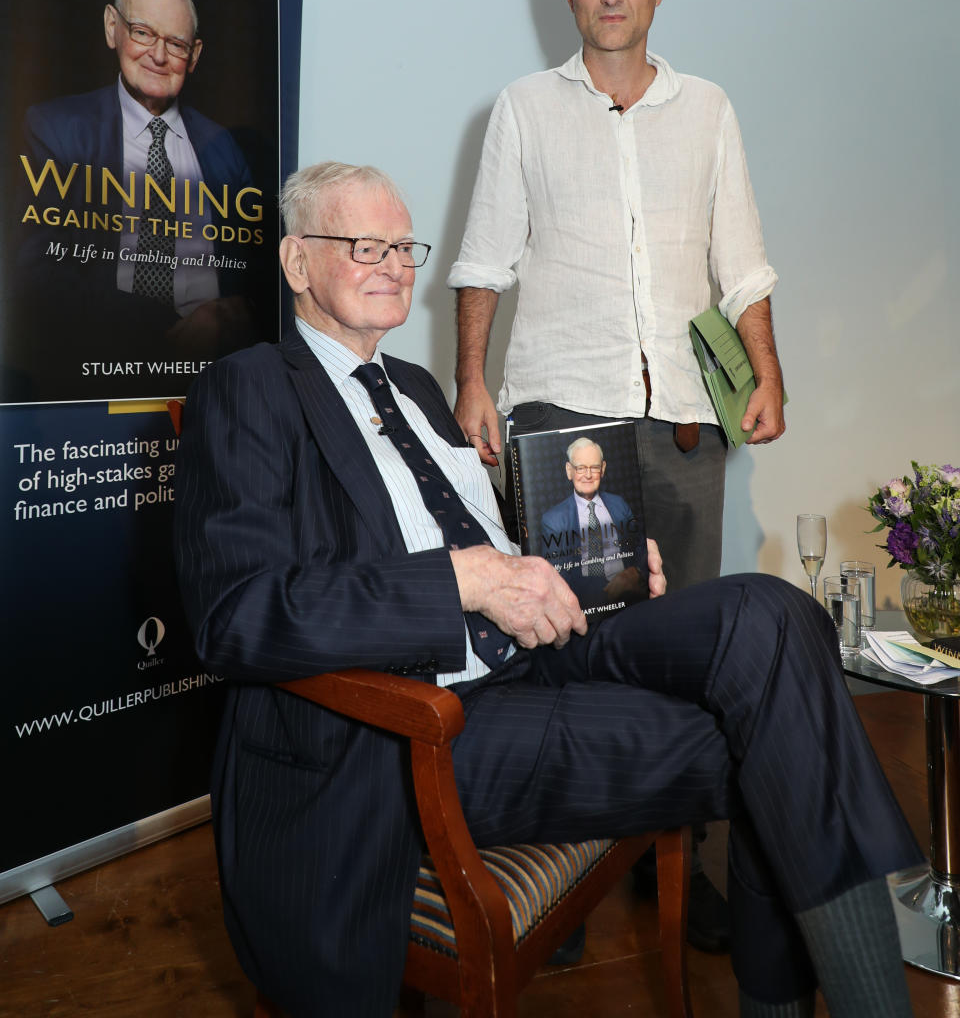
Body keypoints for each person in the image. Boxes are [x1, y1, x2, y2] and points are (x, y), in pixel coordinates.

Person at [175, 160, 919, 1018]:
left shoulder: (416, 388)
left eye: (404, 246)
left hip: (538, 657)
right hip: (422, 726)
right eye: (363, 245)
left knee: (774, 613)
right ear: (298, 263)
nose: (395, 266)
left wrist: (594, 560)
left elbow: (493, 544)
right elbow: (239, 615)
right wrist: (464, 579)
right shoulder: (250, 390)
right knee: (788, 747)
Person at [447, 0, 784, 593]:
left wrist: (768, 376)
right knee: (572, 640)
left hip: (685, 424)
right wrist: (470, 380)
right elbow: (484, 263)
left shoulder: (708, 109)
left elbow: (743, 271)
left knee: (686, 635)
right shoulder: (523, 107)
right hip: (561, 415)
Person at [18, 0, 257, 383]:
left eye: (177, 43)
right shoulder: (56, 128)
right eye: (143, 32)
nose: (159, 56)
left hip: (219, 377)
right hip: (94, 367)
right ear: (113, 28)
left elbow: (258, 276)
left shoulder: (226, 149)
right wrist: (162, 330)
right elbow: (35, 273)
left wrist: (229, 314)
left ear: (195, 55)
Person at [539, 435, 644, 612]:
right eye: (580, 468)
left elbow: (641, 549)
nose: (588, 475)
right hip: (585, 606)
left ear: (603, 469)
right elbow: (558, 580)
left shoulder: (619, 504)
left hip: (631, 598)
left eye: (594, 467)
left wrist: (636, 573)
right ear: (569, 471)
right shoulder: (554, 520)